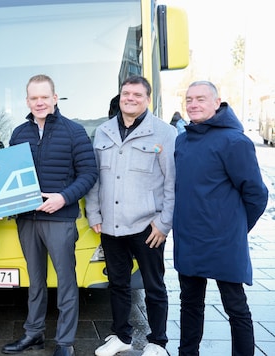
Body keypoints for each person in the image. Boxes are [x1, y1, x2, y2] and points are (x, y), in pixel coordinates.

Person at [1, 74, 98, 356]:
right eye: (34, 98)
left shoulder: (74, 132)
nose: (39, 102)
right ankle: (34, 334)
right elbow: (9, 175)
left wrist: (64, 197)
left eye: (45, 97)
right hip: (27, 220)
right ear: (27, 101)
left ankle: (65, 342)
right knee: (35, 281)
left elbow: (89, 173)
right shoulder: (19, 133)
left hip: (60, 219)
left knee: (67, 282)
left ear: (55, 98)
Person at [173, 81, 268, 356]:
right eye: (189, 99)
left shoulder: (234, 141)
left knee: (235, 305)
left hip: (223, 241)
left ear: (217, 103)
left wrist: (236, 228)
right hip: (189, 238)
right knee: (190, 303)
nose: (193, 104)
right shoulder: (183, 140)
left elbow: (256, 194)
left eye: (201, 99)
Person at [85, 75, 176, 356]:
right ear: (120, 96)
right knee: (118, 284)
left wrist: (164, 223)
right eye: (126, 94)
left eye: (137, 95)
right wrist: (93, 212)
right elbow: (95, 178)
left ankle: (157, 341)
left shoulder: (164, 133)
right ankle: (121, 336)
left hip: (148, 226)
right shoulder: (103, 132)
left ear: (147, 99)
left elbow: (173, 182)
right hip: (110, 224)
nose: (131, 99)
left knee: (154, 286)